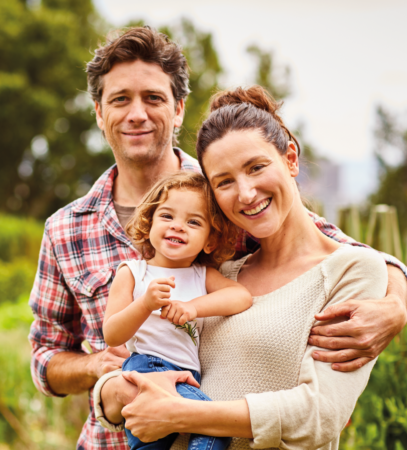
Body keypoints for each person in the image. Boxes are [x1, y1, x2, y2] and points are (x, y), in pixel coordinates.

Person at [27, 26, 407, 450]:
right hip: (110, 437)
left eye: (153, 98)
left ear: (178, 110)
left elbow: (321, 245)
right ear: (100, 113)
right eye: (120, 99)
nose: (137, 113)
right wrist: (99, 371)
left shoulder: (219, 196)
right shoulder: (66, 228)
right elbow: (46, 353)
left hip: (204, 427)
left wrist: (396, 300)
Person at [94, 85, 391, 449]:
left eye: (256, 167)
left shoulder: (352, 270)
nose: (246, 193)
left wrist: (182, 414)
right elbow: (140, 367)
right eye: (225, 182)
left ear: (291, 159)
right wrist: (114, 390)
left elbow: (319, 415)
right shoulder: (223, 273)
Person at [103, 171, 253, 450]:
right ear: (149, 224)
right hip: (148, 368)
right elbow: (112, 334)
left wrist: (192, 307)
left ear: (209, 241)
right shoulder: (134, 273)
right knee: (212, 428)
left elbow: (241, 296)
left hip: (188, 375)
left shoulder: (201, 275)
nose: (178, 226)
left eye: (193, 222)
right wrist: (145, 304)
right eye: (167, 216)